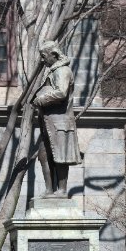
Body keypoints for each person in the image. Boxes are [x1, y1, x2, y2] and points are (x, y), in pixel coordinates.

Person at [33, 41, 82, 197]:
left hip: (60, 122)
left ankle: (61, 190)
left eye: (44, 56)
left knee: (60, 156)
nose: (42, 60)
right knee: (43, 155)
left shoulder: (62, 71)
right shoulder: (53, 71)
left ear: (53, 54)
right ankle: (49, 190)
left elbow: (61, 93)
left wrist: (41, 99)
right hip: (48, 122)